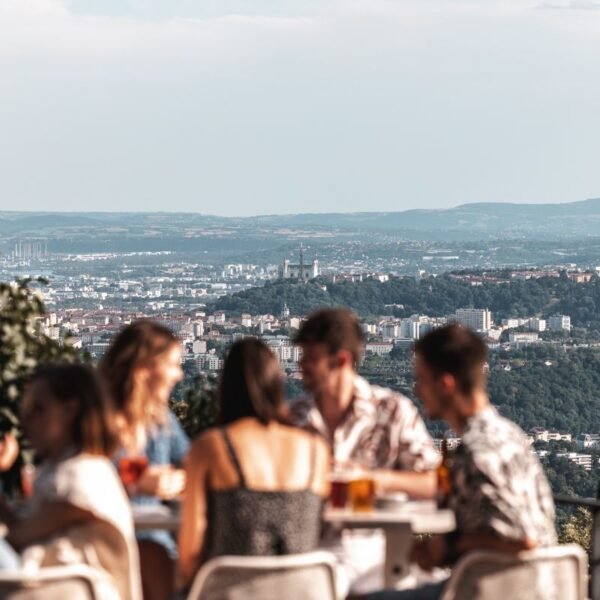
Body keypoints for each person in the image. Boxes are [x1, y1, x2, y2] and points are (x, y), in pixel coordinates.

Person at [368, 324, 557, 599]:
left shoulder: (478, 450)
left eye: (421, 379)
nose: (417, 390)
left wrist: (446, 546)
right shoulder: (509, 433)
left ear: (446, 384)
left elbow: (523, 539)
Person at [291, 308, 440, 594]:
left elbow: (436, 482)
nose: (302, 366)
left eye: (311, 358)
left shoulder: (391, 411)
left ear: (342, 360)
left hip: (375, 547)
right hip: (305, 547)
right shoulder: (292, 418)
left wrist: (375, 480)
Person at [179, 338, 330, 589]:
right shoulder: (316, 450)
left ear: (226, 387)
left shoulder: (211, 447)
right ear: (276, 384)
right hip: (304, 592)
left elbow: (189, 551)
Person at [0, 363, 142, 600]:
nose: (27, 417)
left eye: (39, 408)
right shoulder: (70, 469)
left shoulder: (79, 477)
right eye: (25, 408)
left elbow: (19, 535)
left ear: (70, 410)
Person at [100, 320, 189, 600]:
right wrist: (140, 480)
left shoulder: (161, 420)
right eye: (172, 364)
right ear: (142, 370)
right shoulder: (96, 421)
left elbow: (193, 465)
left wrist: (171, 479)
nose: (179, 375)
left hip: (157, 540)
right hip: (109, 541)